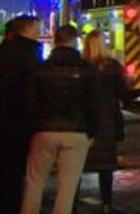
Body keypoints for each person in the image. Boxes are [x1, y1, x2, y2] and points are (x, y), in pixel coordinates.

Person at [20, 24, 100, 214]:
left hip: (44, 131)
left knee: (34, 183)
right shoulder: (87, 70)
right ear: (75, 40)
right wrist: (92, 132)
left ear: (55, 40)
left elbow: (30, 103)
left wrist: (31, 130)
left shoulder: (41, 69)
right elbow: (94, 105)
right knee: (67, 189)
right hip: (76, 132)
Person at [0, 16, 42, 214]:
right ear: (27, 30)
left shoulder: (5, 51)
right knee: (16, 175)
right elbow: (33, 93)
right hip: (20, 125)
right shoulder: (30, 55)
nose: (40, 33)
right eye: (37, 29)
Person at [81, 31, 126, 214]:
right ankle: (107, 203)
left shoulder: (83, 67)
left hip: (85, 120)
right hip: (108, 120)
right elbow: (123, 93)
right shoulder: (113, 66)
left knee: (77, 165)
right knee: (106, 166)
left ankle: (71, 203)